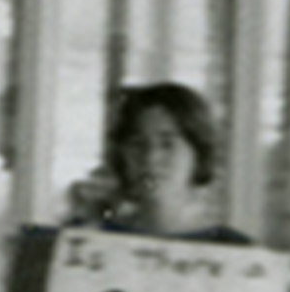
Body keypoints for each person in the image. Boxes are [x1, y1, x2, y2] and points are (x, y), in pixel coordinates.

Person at [64, 82, 251, 244]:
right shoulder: (92, 237)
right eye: (137, 144)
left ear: (198, 154)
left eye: (167, 145)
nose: (150, 158)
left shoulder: (234, 249)